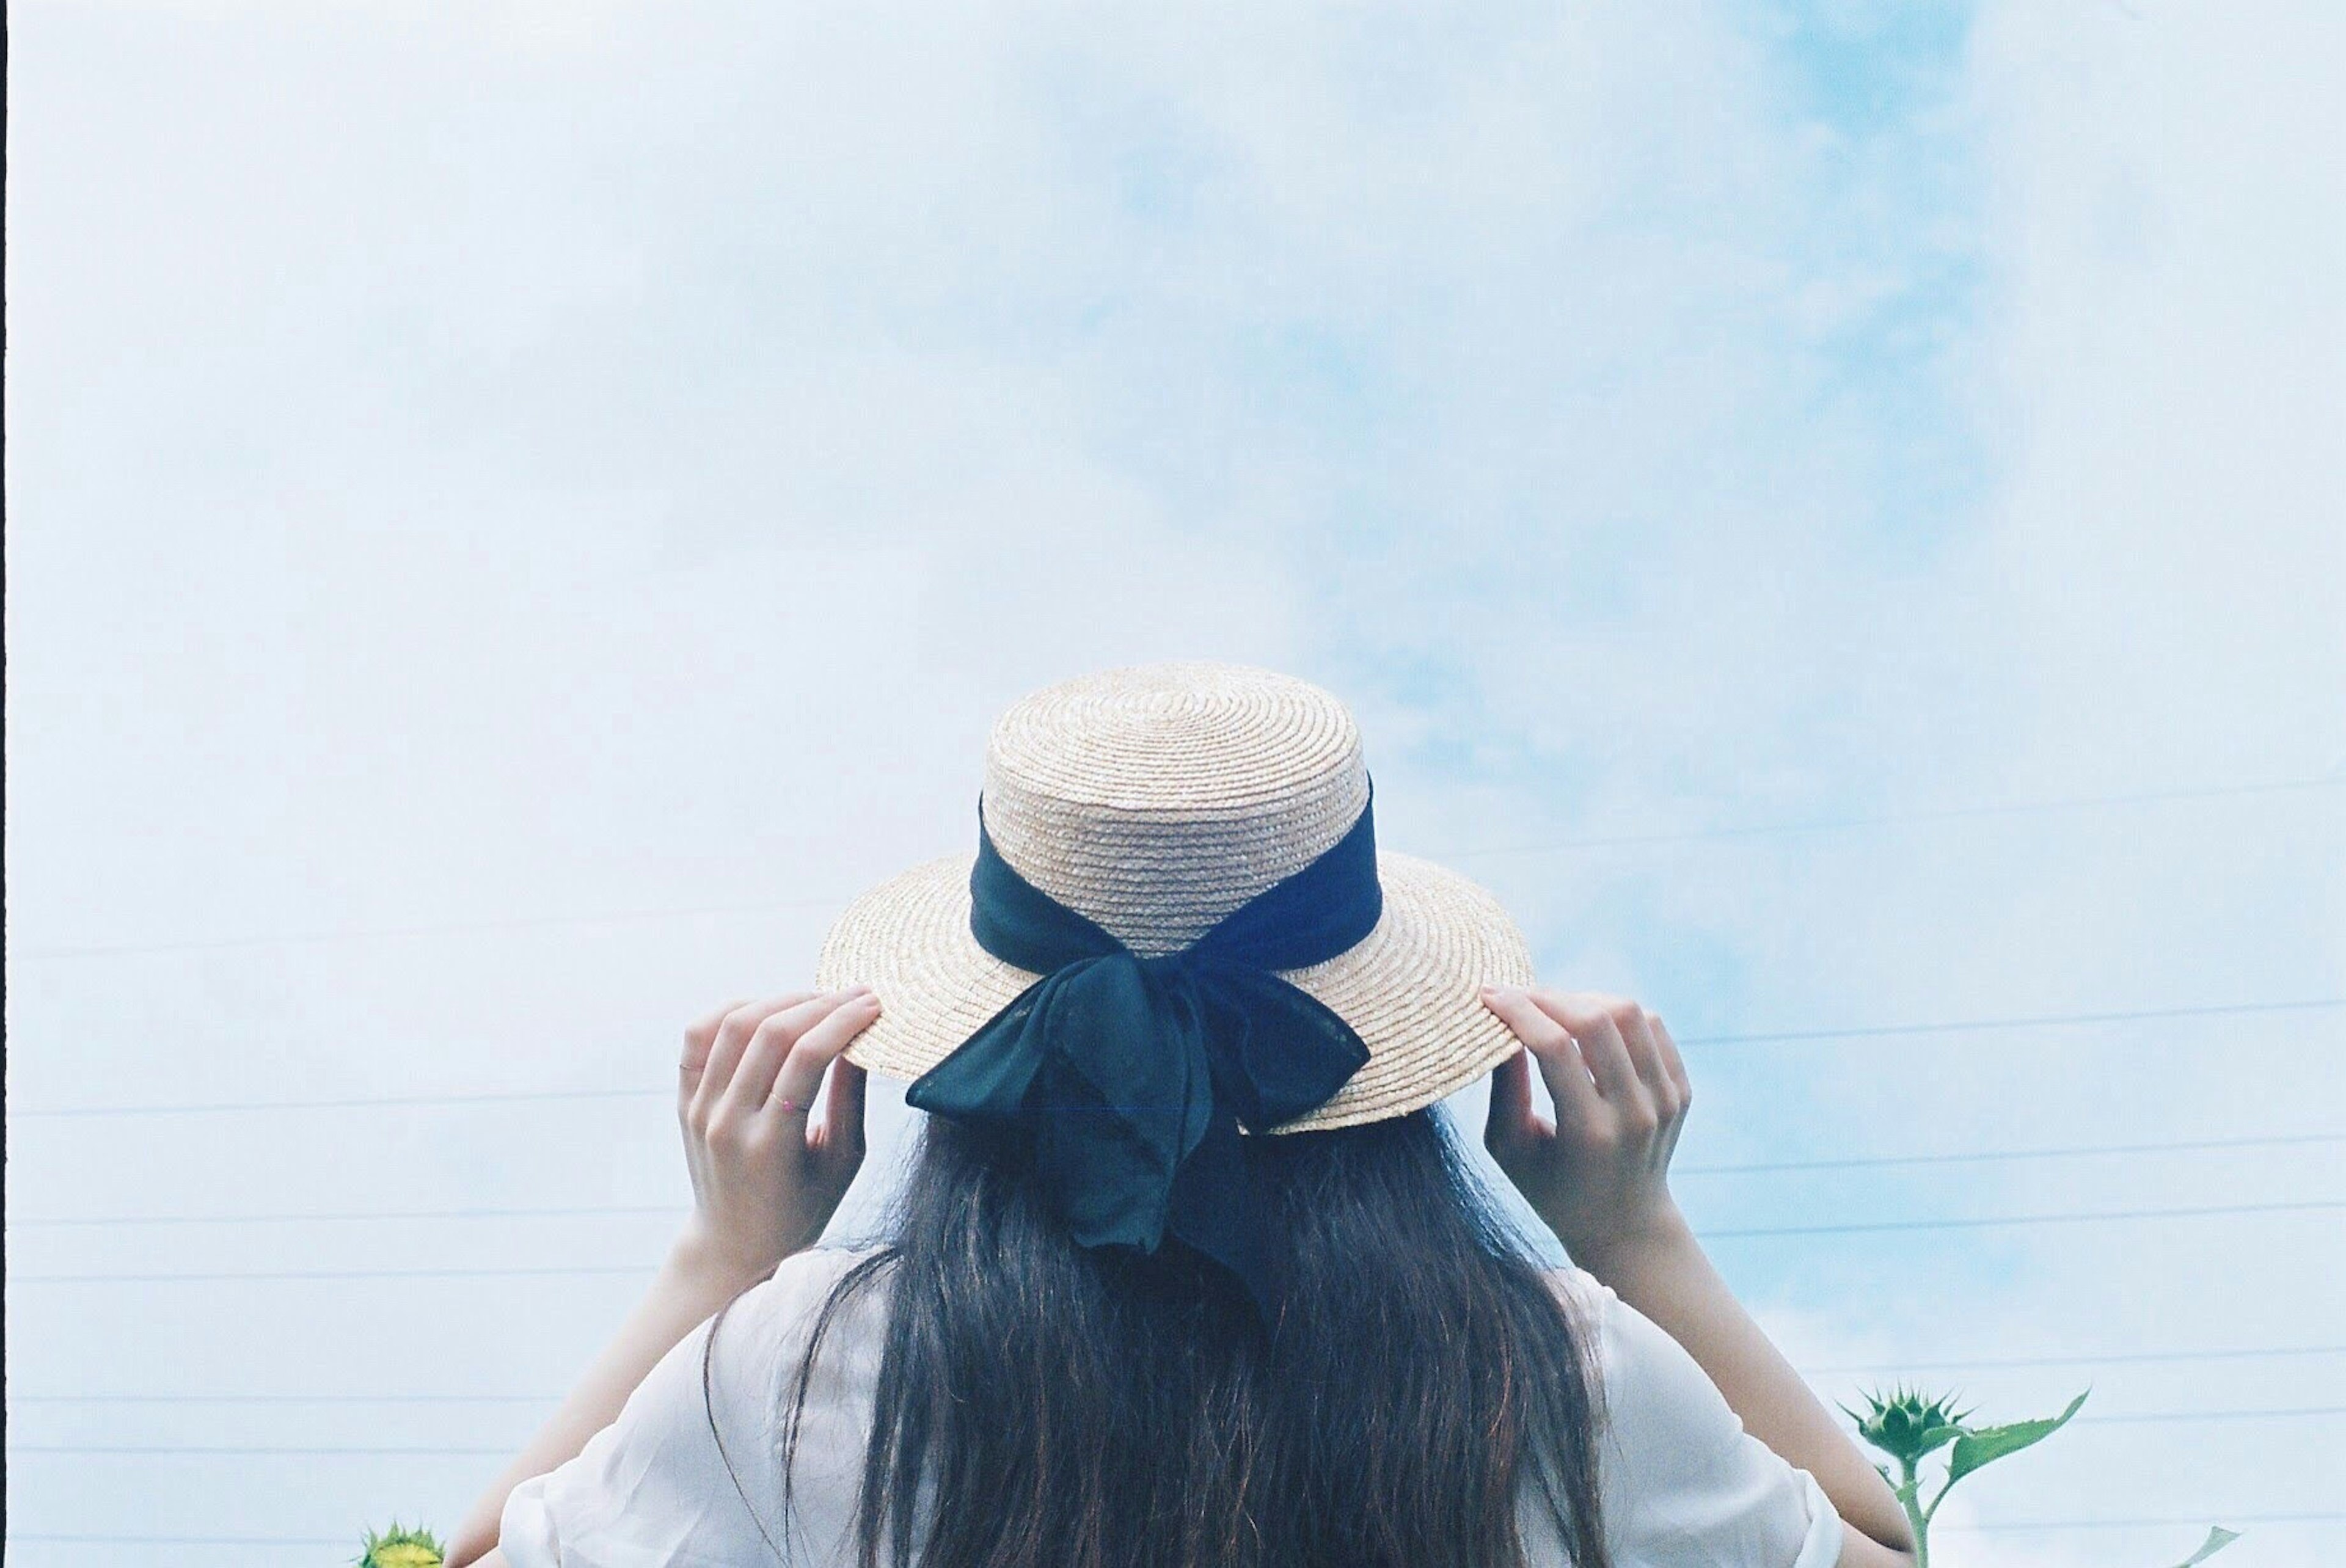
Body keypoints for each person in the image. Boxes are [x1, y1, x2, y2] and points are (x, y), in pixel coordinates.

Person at [445, 663, 1920, 1567]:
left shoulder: (800, 1368)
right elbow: (1877, 1554)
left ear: (998, 1034)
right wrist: (1634, 1237)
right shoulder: (1558, 1380)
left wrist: (725, 1265)